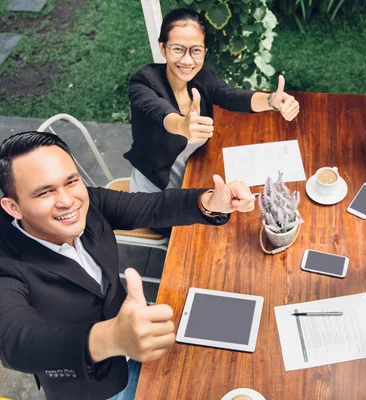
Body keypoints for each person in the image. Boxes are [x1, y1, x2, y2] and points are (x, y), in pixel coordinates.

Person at [0, 131, 255, 400]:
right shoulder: (6, 263)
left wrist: (209, 202)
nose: (66, 200)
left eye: (71, 181)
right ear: (13, 207)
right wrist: (111, 338)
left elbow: (151, 207)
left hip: (140, 334)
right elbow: (15, 341)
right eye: (45, 192)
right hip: (95, 386)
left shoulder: (88, 201)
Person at [123, 8, 299, 217]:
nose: (188, 61)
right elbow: (159, 112)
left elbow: (232, 96)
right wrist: (182, 125)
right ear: (163, 48)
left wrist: (271, 101)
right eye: (178, 49)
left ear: (204, 51)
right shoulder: (143, 82)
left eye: (196, 50)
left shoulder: (203, 76)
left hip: (194, 172)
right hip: (155, 192)